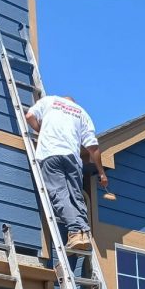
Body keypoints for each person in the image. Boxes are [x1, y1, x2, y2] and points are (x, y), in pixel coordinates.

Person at [25, 94, 108, 250]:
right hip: (73, 158)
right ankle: (83, 232)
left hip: (50, 153)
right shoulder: (82, 112)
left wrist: (40, 130)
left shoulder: (49, 101)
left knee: (59, 194)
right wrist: (102, 172)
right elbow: (93, 147)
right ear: (74, 103)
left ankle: (76, 232)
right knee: (76, 196)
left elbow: (29, 116)